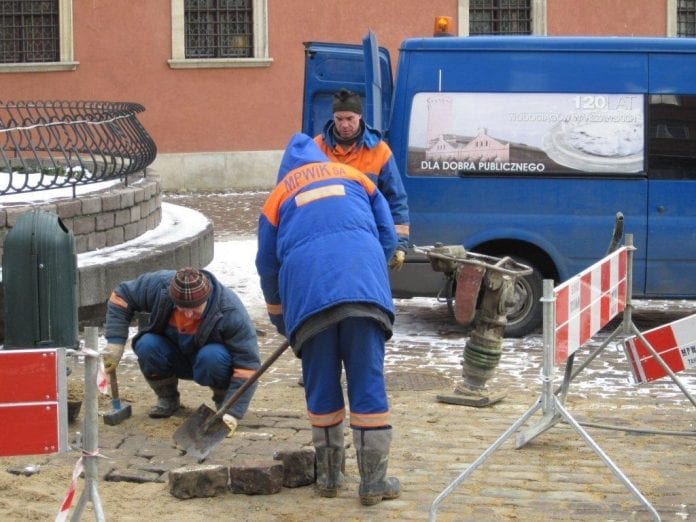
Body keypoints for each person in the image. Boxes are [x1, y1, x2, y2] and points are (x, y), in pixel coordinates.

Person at [256, 133, 401, 505]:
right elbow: (388, 235)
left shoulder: (277, 197)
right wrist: (368, 269)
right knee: (367, 382)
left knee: (321, 385)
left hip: (308, 301)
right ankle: (373, 483)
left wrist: (281, 318)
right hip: (362, 293)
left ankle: (329, 479)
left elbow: (267, 266)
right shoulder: (355, 176)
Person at [102, 267, 260, 434]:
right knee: (147, 344)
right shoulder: (160, 286)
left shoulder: (230, 310)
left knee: (213, 356)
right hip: (173, 353)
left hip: (210, 361)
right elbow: (120, 296)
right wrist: (115, 343)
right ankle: (167, 398)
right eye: (182, 308)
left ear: (207, 297)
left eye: (195, 308)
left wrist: (232, 410)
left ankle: (223, 402)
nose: (189, 314)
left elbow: (248, 366)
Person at [314, 87, 410, 270]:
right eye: (339, 119)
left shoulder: (379, 151)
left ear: (360, 116)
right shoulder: (316, 148)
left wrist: (399, 244)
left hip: (366, 236)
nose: (344, 125)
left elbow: (396, 198)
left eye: (349, 119)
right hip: (326, 236)